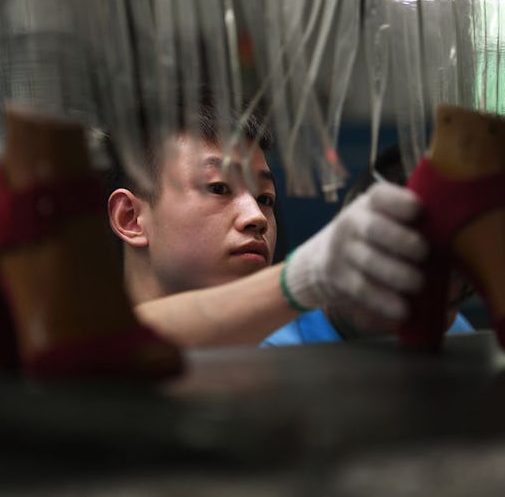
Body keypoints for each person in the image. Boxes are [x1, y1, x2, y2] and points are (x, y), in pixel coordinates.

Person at [108, 103, 430, 347]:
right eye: (219, 188)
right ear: (130, 218)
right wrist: (302, 277)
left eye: (265, 198)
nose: (257, 217)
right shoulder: (84, 348)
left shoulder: (306, 339)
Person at [261, 146, 474, 347]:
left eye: (448, 305)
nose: (433, 326)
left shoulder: (457, 334)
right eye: (407, 302)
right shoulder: (273, 350)